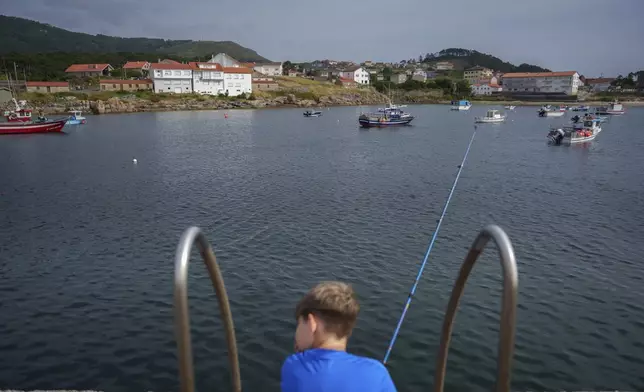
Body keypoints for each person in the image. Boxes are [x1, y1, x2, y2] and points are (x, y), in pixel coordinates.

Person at [281, 281, 397, 392]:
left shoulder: (293, 366)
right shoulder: (377, 372)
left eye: (300, 323)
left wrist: (301, 352)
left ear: (312, 323)